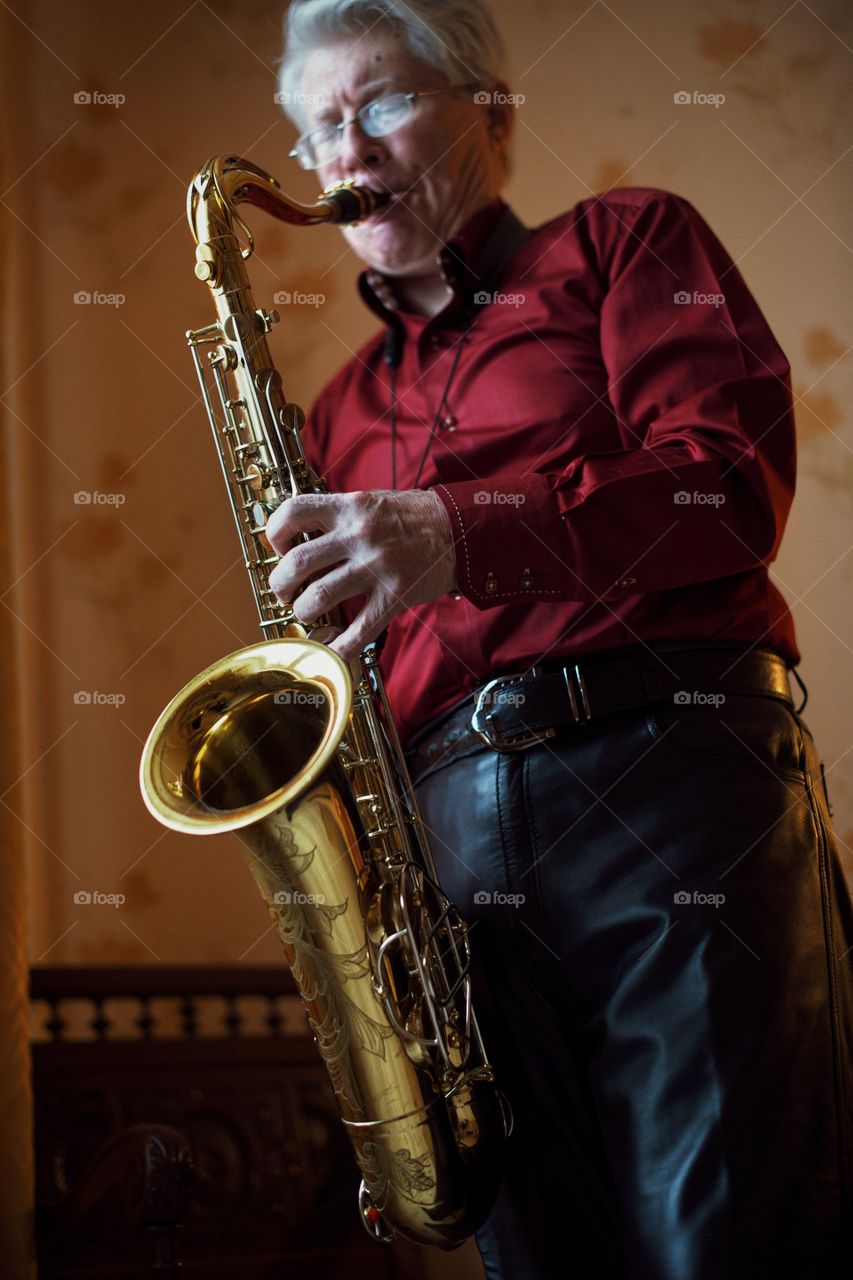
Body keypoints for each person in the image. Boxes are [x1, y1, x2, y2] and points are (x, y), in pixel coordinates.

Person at [265, 2, 853, 1277]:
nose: (342, 149)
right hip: (450, 874)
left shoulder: (629, 238)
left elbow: (724, 488)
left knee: (728, 1247)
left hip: (674, 792)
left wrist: (456, 533)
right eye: (317, 127)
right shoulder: (332, 409)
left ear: (491, 110)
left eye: (379, 103)